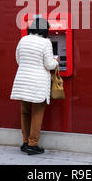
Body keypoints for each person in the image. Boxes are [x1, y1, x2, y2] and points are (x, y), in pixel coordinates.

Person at [10, 17, 59, 155]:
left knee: (24, 112)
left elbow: (18, 59)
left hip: (22, 80)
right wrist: (56, 62)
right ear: (45, 29)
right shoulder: (46, 42)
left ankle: (25, 142)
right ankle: (33, 144)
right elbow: (49, 64)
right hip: (37, 82)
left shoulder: (23, 40)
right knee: (37, 112)